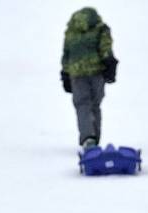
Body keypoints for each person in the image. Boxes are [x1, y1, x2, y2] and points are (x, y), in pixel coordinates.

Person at [60, 7, 118, 149]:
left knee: (82, 105)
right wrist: (110, 66)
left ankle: (88, 138)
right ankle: (94, 139)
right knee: (95, 105)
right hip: (96, 72)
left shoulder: (71, 32)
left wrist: (65, 73)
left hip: (76, 74)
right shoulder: (101, 28)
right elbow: (105, 49)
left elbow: (66, 54)